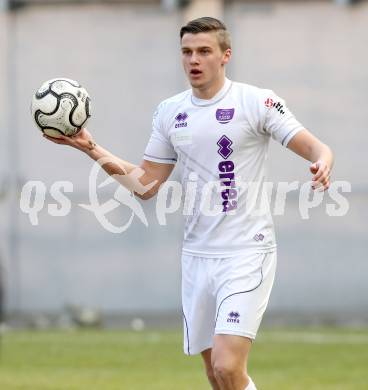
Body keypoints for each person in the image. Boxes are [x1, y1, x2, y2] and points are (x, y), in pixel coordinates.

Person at [44, 16, 333, 390]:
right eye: (186, 52)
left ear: (225, 55)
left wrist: (323, 160)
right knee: (216, 375)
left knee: (229, 368)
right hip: (197, 256)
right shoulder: (169, 112)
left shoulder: (256, 101)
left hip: (247, 253)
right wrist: (91, 148)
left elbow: (315, 146)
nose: (193, 59)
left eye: (203, 51)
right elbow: (145, 185)